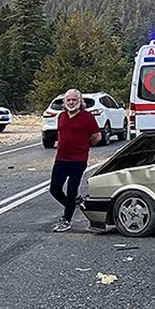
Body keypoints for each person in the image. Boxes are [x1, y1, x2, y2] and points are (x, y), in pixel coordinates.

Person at [50, 89, 102, 232]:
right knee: (54, 189)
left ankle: (66, 219)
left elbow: (97, 136)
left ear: (80, 102)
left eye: (74, 100)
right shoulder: (61, 116)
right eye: (68, 100)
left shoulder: (87, 117)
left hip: (78, 160)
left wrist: (85, 145)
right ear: (64, 102)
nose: (71, 102)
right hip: (61, 159)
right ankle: (73, 203)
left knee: (72, 189)